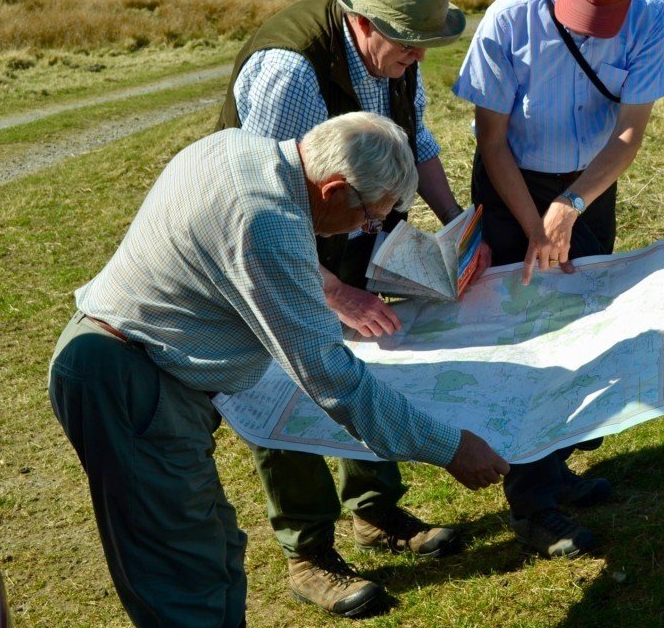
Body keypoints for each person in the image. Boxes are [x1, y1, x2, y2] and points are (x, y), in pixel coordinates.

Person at [48, 112, 509, 627]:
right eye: (369, 218)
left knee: (215, 547)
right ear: (334, 190)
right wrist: (449, 447)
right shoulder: (268, 222)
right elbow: (333, 379)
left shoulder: (236, 147)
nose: (365, 230)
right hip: (130, 380)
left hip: (139, 367)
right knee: (184, 579)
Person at [216, 0, 490, 615]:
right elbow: (261, 206)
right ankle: (308, 553)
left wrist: (459, 225)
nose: (420, 56)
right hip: (275, 240)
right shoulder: (292, 73)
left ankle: (375, 510)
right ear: (365, 22)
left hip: (351, 221)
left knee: (375, 354)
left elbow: (416, 140)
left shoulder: (395, 57)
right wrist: (335, 293)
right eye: (411, 42)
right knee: (292, 376)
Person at [453, 0, 664, 558]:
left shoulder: (650, 16)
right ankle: (532, 503)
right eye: (583, 6)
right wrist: (532, 225)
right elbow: (490, 141)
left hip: (589, 184)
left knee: (579, 326)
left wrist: (573, 204)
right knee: (524, 336)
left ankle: (551, 469)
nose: (591, 21)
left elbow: (630, 130)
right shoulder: (511, 16)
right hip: (512, 183)